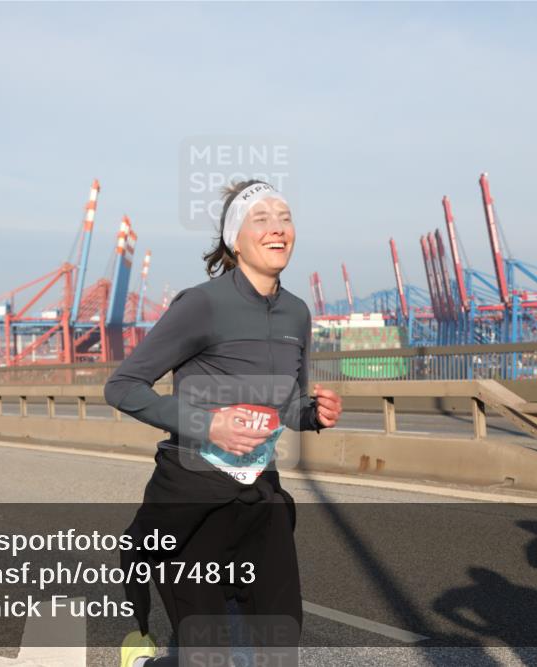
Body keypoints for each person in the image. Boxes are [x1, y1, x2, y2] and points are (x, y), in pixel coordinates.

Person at [105, 180, 343, 667]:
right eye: (261, 218)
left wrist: (313, 414)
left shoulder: (297, 312)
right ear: (236, 239)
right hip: (192, 494)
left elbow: (291, 403)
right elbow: (123, 386)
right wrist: (209, 426)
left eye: (285, 217)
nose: (277, 227)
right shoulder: (202, 303)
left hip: (259, 494)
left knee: (280, 645)